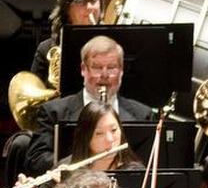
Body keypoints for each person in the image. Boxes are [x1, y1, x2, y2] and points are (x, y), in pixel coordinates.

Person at [26, 36, 154, 176]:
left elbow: (151, 165)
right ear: (83, 69)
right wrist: (84, 164)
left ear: (121, 70)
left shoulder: (143, 114)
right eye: (97, 67)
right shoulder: (54, 112)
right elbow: (36, 160)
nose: (104, 75)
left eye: (111, 68)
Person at [13, 102, 143, 188]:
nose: (110, 139)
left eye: (114, 130)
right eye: (99, 133)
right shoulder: (68, 167)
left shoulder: (134, 172)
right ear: (86, 137)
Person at [30, 0, 103, 83]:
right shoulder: (46, 50)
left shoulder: (113, 45)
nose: (89, 8)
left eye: (93, 1)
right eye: (80, 2)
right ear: (67, 9)